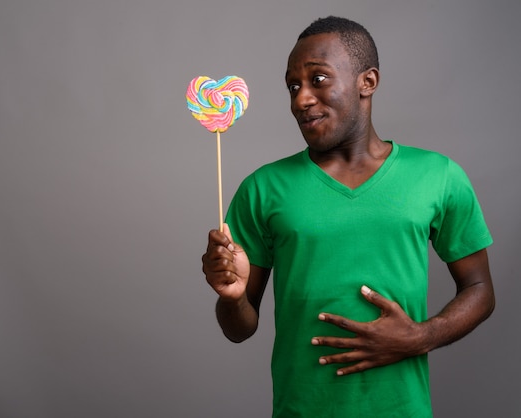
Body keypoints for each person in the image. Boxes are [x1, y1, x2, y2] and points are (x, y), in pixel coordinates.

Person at [202, 16, 495, 418]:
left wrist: (419, 337)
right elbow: (238, 328)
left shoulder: (439, 176)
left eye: (317, 79)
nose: (300, 99)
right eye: (293, 86)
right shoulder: (262, 188)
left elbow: (480, 289)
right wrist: (232, 299)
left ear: (367, 82)